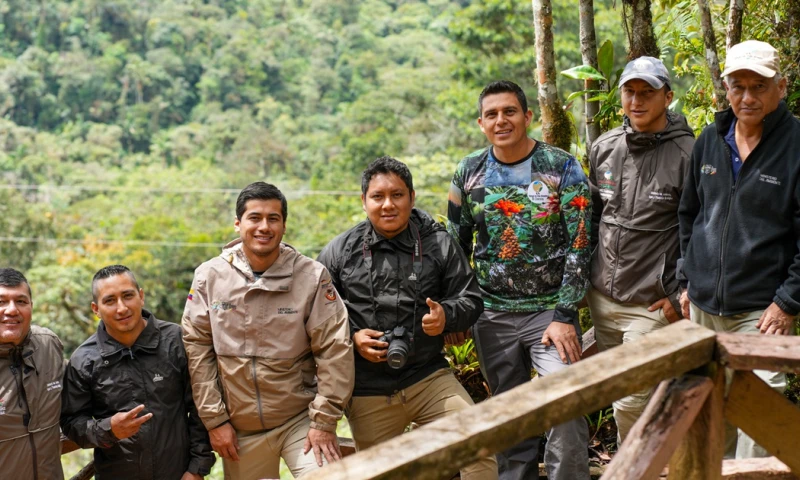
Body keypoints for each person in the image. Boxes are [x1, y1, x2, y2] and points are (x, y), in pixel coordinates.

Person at [317, 156, 498, 480]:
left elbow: (471, 299)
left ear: (412, 198)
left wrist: (447, 316)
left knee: (478, 443)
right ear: (363, 201)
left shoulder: (438, 243)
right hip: (367, 388)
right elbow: (317, 313)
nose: (388, 205)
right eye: (378, 196)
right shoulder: (340, 251)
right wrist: (353, 336)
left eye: (397, 195)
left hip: (427, 377)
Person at [447, 80, 591, 480]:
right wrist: (458, 312)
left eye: (509, 111)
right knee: (510, 416)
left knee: (565, 402)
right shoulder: (468, 172)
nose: (501, 120)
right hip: (491, 314)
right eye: (491, 114)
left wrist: (565, 313)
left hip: (550, 315)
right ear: (481, 123)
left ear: (527, 117)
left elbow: (581, 243)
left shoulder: (561, 166)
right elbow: (455, 249)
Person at [182, 182, 354, 479]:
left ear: (284, 225)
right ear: (238, 224)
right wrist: (215, 421)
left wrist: (324, 422)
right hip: (240, 428)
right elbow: (197, 352)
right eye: (255, 218)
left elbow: (334, 349)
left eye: (273, 218)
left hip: (300, 419)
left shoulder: (311, 276)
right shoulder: (209, 276)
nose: (264, 226)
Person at [678, 39, 799, 459]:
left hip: (762, 312)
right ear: (725, 87)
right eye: (738, 86)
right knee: (709, 409)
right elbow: (689, 213)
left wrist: (787, 302)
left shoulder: (796, 145)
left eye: (759, 86)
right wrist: (685, 277)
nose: (747, 97)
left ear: (780, 87)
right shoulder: (710, 139)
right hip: (703, 307)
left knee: (759, 419)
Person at [586, 57, 695, 443]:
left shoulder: (688, 154)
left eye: (647, 92)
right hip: (602, 298)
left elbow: (698, 230)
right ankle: (653, 459)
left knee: (630, 400)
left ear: (667, 97)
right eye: (630, 91)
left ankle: (634, 467)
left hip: (650, 303)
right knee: (621, 390)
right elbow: (593, 217)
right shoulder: (604, 147)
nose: (637, 100)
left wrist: (676, 292)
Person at [60, 265, 215, 479]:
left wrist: (197, 468)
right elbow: (71, 422)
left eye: (127, 296)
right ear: (96, 309)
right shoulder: (84, 360)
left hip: (178, 474)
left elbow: (201, 406)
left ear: (141, 296)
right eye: (110, 300)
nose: (122, 308)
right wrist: (108, 429)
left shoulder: (175, 341)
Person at [0, 268, 64, 480]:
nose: (11, 310)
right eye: (1, 302)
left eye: (21, 301)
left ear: (31, 306)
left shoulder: (48, 345)